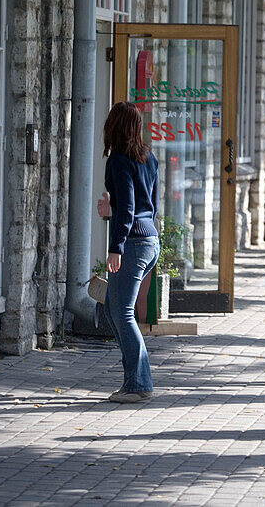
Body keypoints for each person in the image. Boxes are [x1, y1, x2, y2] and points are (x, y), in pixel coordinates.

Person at [96, 101, 160, 403]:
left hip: (133, 243)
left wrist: (116, 247)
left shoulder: (120, 160)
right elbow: (149, 205)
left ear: (114, 126)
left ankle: (138, 384)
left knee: (121, 312)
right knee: (113, 308)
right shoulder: (149, 157)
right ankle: (134, 379)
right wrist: (114, 209)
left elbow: (131, 208)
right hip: (150, 240)